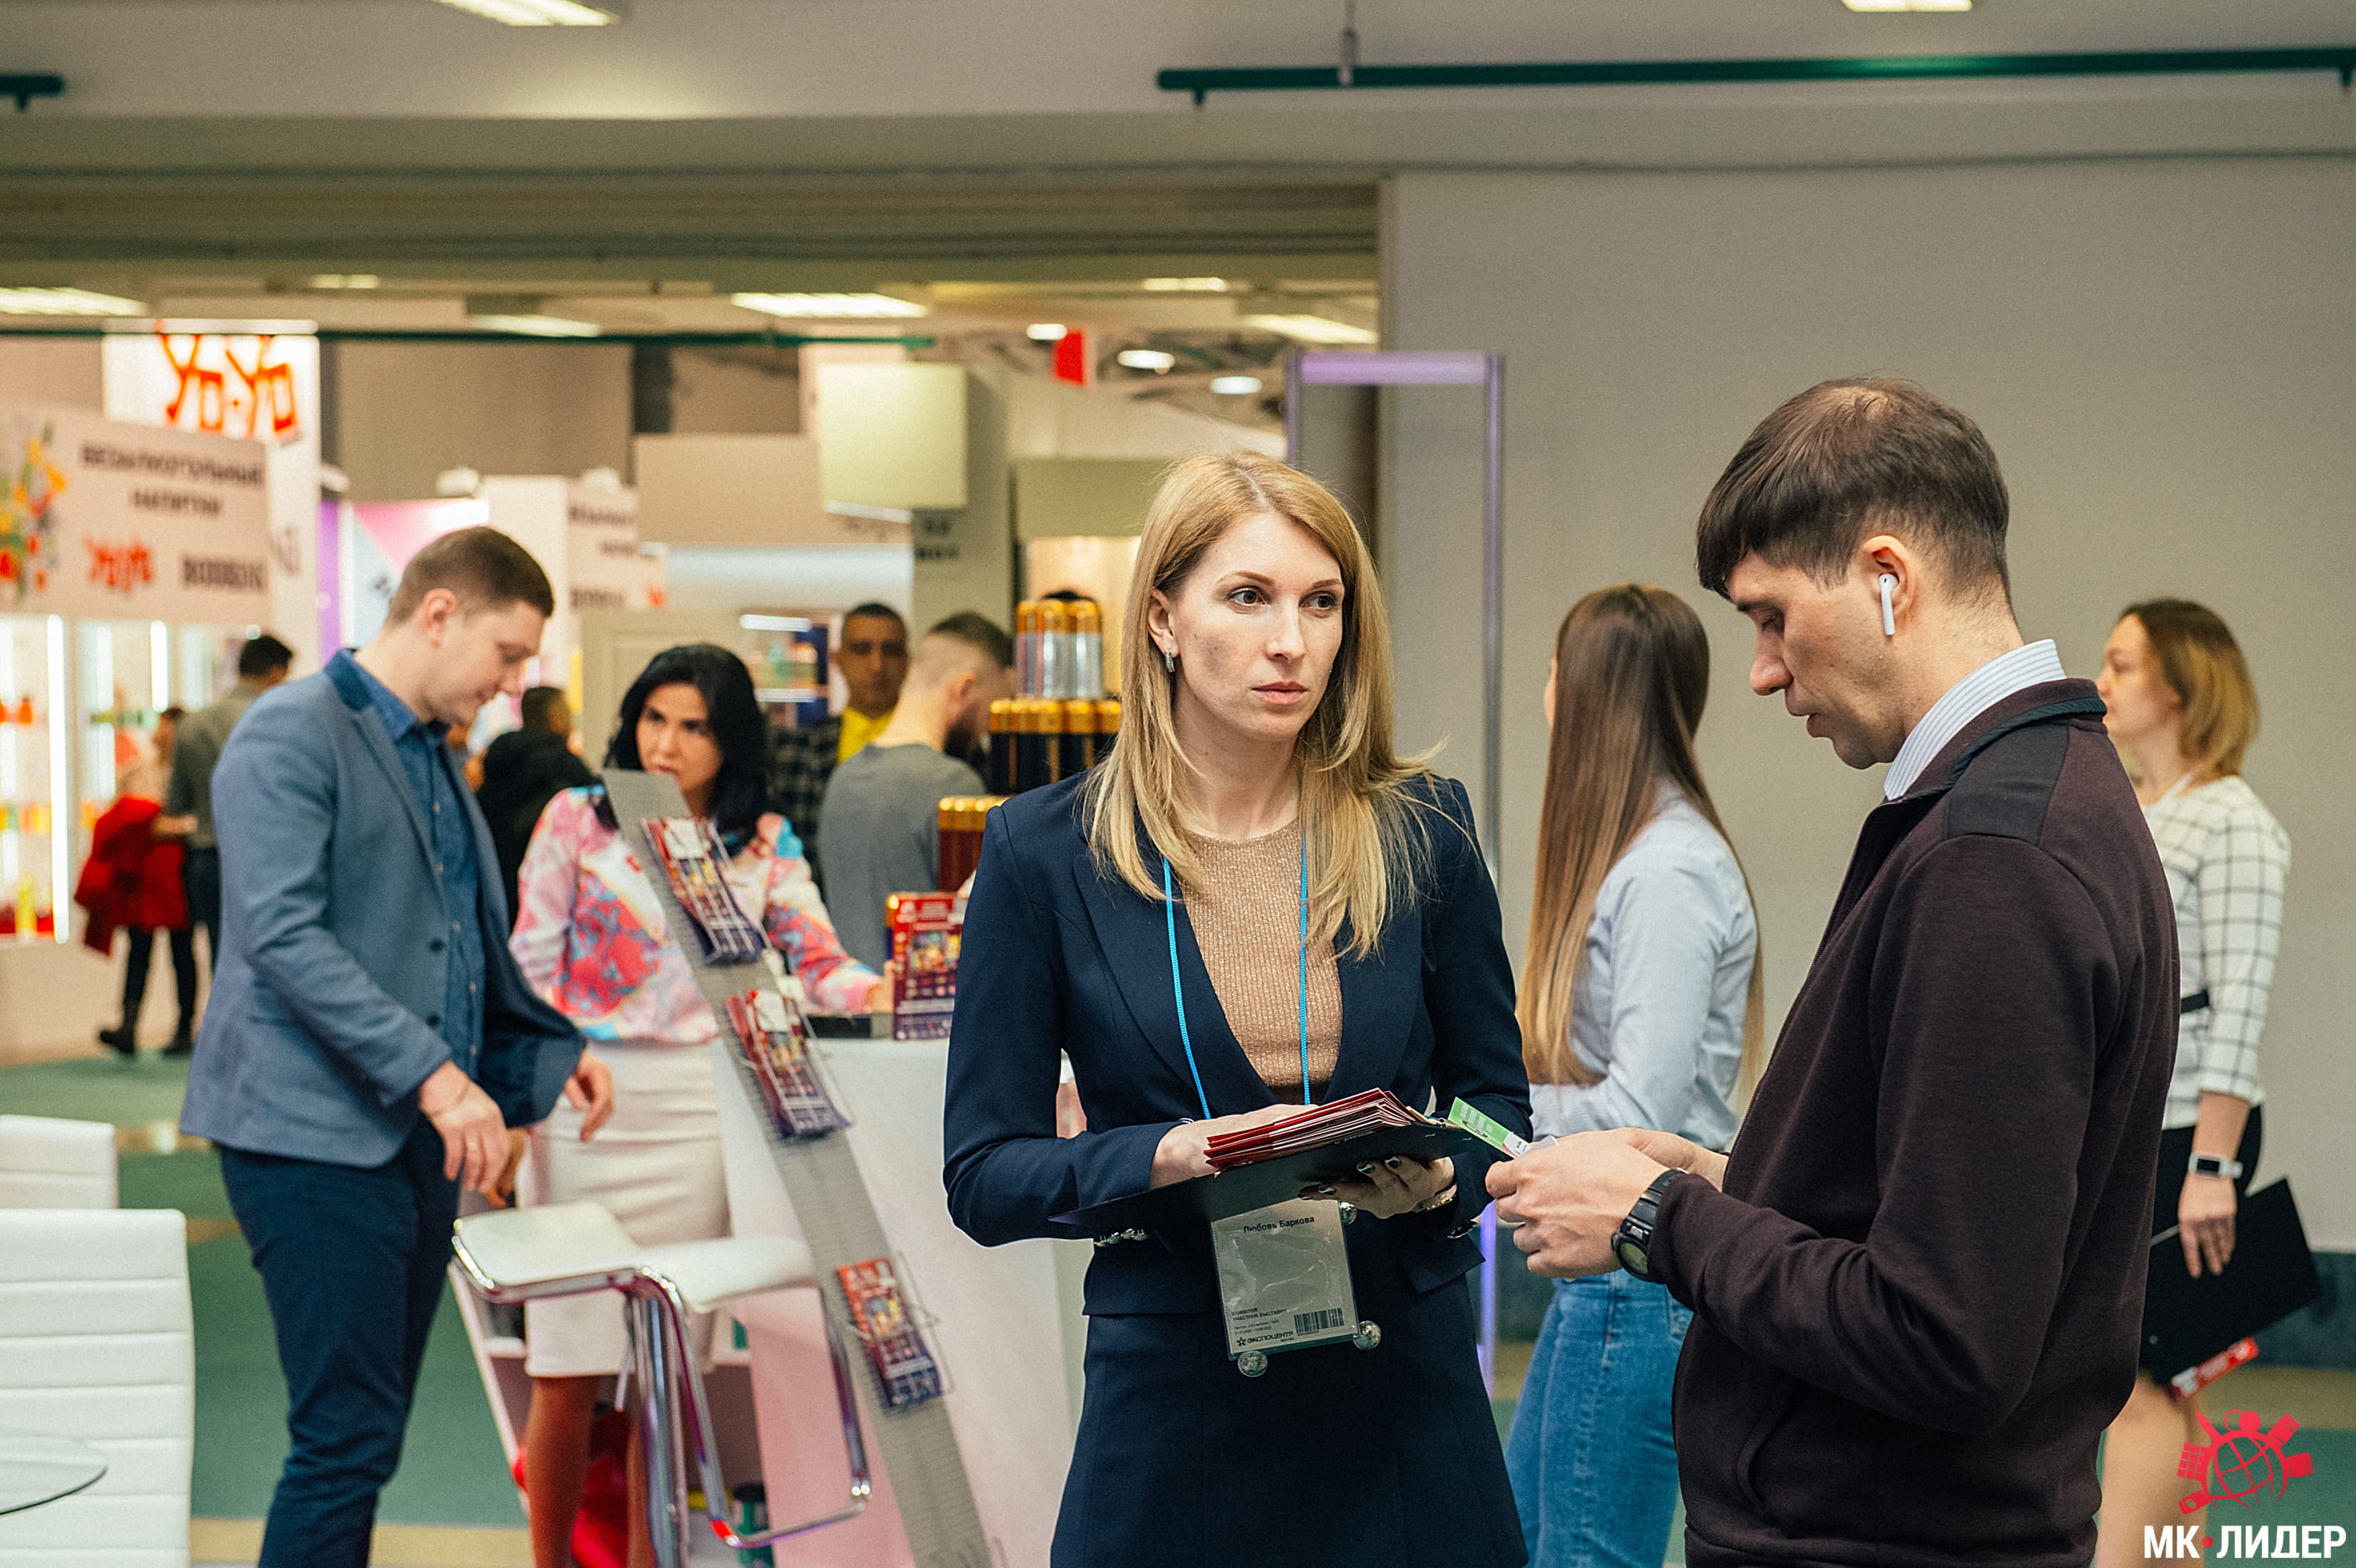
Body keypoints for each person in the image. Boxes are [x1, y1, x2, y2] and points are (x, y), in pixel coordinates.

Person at [1489, 379, 2177, 1568]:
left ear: (1887, 577)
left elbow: (1945, 1336)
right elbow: (1937, 1215)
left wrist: (1660, 1221)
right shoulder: (2031, 798)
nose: (1761, 672)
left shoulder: (1994, 859)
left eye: (1771, 616)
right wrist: (1725, 1178)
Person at [943, 452, 1531, 1568]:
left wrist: (1448, 1174)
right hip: (1177, 1397)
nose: (1291, 641)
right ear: (1163, 618)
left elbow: (1496, 1102)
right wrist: (1171, 1153)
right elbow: (984, 1174)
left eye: (1322, 602)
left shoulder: (1422, 830)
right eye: (1250, 597)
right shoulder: (1046, 853)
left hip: (1398, 1388)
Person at [180, 528, 615, 1568]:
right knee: (342, 1439)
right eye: (506, 654)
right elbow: (282, 937)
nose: (512, 684)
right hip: (308, 1136)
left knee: (364, 1435)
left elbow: (451, 935)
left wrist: (548, 1048)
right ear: (439, 614)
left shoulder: (429, 748)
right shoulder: (292, 731)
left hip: (401, 1139)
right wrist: (435, 1076)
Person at [509, 642, 887, 1568]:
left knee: (666, 1377)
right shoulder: (576, 819)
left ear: (731, 741)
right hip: (585, 1106)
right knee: (565, 1371)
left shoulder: (761, 840)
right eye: (654, 718)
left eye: (693, 727)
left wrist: (892, 988)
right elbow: (528, 967)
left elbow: (818, 959)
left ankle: (652, 1559)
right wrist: (536, 1077)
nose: (666, 743)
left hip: (704, 1112)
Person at [1503, 585, 1762, 1568]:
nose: (1545, 689)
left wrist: (1479, 1111)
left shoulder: (1665, 872)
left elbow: (1636, 1115)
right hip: (1612, 1278)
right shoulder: (1638, 854)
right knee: (1530, 1541)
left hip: (1638, 1278)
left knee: (1583, 1556)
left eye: (1553, 671)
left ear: (1584, 693)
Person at [2091, 598, 2289, 1567]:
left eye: (2121, 663)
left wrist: (2213, 1166)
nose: (2101, 681)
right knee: (2158, 1380)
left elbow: (2238, 1005)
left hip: (2190, 1139)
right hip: (2131, 1126)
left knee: (2144, 1382)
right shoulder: (2134, 808)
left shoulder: (2234, 820)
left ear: (2179, 686)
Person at [817, 610, 1015, 969]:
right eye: (989, 713)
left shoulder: (843, 778)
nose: (986, 732)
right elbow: (984, 926)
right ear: (963, 690)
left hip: (855, 994)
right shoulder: (954, 787)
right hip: (924, 998)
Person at [162, 631, 293, 973]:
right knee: (263, 965)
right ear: (276, 672)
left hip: (204, 858)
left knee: (221, 962)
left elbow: (176, 802)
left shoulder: (191, 725)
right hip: (260, 856)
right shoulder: (274, 718)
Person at [77, 707, 197, 1056]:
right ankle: (128, 1026)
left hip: (176, 873)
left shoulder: (189, 774)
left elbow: (193, 821)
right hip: (141, 873)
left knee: (181, 951)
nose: (162, 735)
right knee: (139, 949)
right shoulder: (138, 771)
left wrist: (159, 826)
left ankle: (184, 1028)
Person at [766, 601, 909, 887]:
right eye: (862, 649)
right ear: (838, 659)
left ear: (907, 661)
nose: (877, 666)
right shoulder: (794, 752)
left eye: (891, 651)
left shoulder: (938, 750)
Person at [477, 684, 596, 927]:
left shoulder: (496, 764)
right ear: (555, 717)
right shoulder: (567, 769)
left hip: (496, 894)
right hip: (549, 901)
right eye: (568, 713)